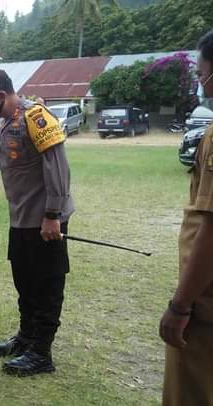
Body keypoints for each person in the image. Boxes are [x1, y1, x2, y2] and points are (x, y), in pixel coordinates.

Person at [0, 68, 74, 376]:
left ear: (0, 95)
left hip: (45, 221)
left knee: (47, 284)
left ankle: (41, 353)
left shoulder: (36, 118)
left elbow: (58, 167)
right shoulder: (5, 124)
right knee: (25, 282)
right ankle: (26, 339)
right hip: (21, 219)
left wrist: (53, 215)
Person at [159, 30, 213, 406]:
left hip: (207, 309)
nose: (199, 78)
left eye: (201, 71)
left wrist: (181, 306)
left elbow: (211, 227)